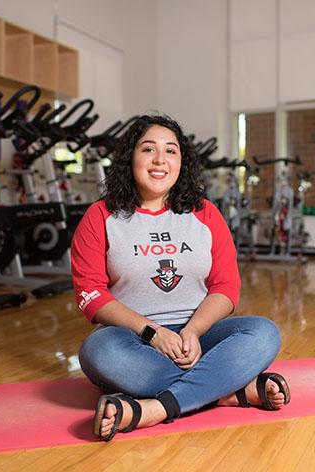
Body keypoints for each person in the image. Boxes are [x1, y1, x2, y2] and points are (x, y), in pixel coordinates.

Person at [71, 114, 290, 441]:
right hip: (135, 340)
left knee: (263, 332)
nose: (160, 159)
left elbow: (226, 287)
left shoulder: (205, 213)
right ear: (131, 158)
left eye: (170, 151)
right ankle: (229, 391)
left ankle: (153, 410)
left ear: (181, 161)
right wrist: (153, 333)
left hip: (200, 334)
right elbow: (90, 293)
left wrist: (193, 331)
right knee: (98, 352)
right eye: (148, 149)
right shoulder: (101, 216)